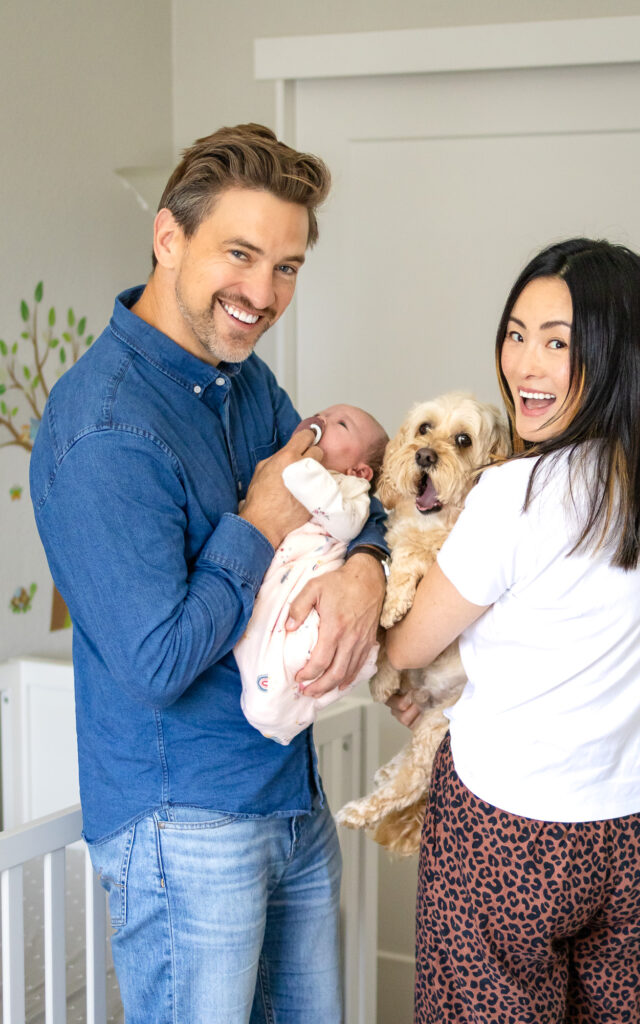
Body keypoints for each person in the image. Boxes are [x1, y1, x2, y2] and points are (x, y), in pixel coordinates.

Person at [29, 124, 389, 1024]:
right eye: (240, 254)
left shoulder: (245, 383)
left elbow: (351, 495)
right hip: (184, 827)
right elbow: (156, 663)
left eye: (287, 267)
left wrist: (368, 570)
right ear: (168, 238)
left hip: (290, 798)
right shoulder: (105, 429)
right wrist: (257, 525)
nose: (264, 294)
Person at [385, 238, 640, 1024]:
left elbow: (408, 645)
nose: (526, 365)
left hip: (508, 828)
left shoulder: (516, 493)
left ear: (617, 355)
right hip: (638, 830)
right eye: (517, 334)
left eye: (558, 343)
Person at [236, 403, 388, 744]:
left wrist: (300, 468)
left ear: (360, 471)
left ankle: (290, 701)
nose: (323, 420)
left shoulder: (351, 491)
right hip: (281, 578)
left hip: (312, 578)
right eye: (324, 414)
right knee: (256, 642)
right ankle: (279, 707)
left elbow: (348, 524)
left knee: (300, 644)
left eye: (341, 424)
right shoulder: (297, 466)